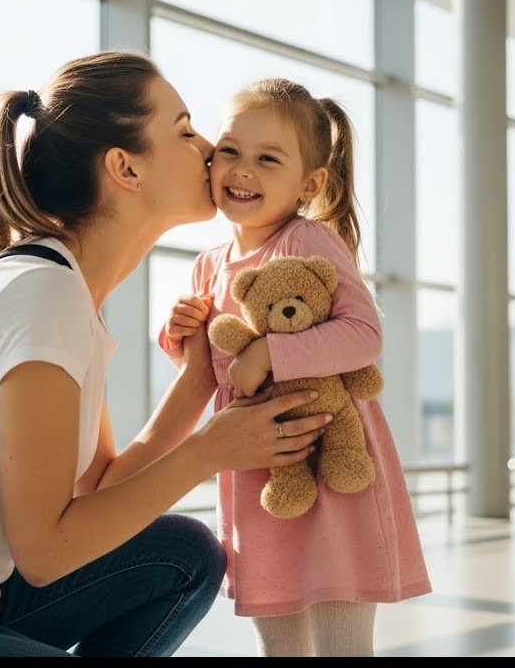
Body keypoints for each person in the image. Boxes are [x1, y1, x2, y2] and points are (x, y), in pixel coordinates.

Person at [0, 51, 336, 658]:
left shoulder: (66, 291)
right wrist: (211, 450)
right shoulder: (41, 296)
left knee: (185, 555)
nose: (209, 147)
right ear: (125, 167)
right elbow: (45, 554)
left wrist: (201, 378)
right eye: (183, 129)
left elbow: (99, 486)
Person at [158, 78, 430, 657]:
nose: (242, 170)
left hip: (333, 469)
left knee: (342, 642)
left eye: (267, 159)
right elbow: (212, 370)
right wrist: (178, 335)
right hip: (260, 479)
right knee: (277, 642)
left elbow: (363, 334)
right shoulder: (209, 265)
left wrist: (269, 352)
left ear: (309, 184)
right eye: (230, 151)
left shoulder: (308, 240)